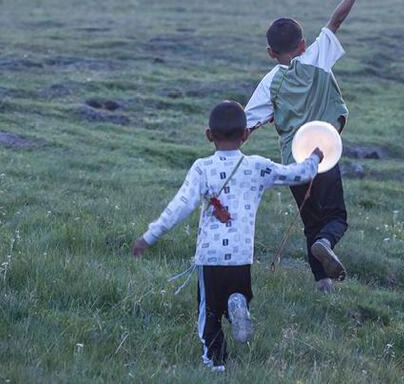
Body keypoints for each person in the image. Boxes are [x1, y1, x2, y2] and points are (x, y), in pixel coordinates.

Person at [132, 100, 323, 372]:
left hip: (210, 257)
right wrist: (314, 158)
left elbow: (180, 206)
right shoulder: (257, 166)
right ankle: (239, 305)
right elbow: (296, 174)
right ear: (245, 135)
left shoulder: (202, 168)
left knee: (209, 313)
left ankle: (215, 363)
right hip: (241, 255)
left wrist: (149, 236)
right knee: (236, 293)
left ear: (209, 135)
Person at [245, 0, 371, 292]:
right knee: (335, 217)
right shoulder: (316, 58)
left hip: (293, 163)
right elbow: (336, 20)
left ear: (271, 54)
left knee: (309, 222)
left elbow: (244, 126)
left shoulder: (269, 82)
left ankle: (322, 284)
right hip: (323, 155)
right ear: (302, 45)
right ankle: (327, 242)